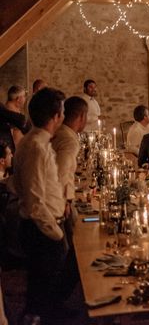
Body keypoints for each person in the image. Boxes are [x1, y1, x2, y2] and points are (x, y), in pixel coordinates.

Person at [13, 87, 77, 321]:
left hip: (43, 227)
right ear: (56, 116)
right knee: (42, 287)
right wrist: (57, 233)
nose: (63, 116)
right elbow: (34, 202)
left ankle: (51, 311)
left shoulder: (38, 142)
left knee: (45, 286)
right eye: (61, 111)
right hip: (40, 230)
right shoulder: (35, 147)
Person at [51, 96, 87, 220]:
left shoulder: (59, 131)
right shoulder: (69, 139)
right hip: (56, 204)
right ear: (82, 117)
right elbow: (61, 173)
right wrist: (64, 203)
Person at [0, 86, 28, 153]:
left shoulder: (13, 111)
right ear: (18, 99)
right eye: (24, 96)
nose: (25, 98)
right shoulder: (11, 114)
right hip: (12, 152)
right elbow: (14, 136)